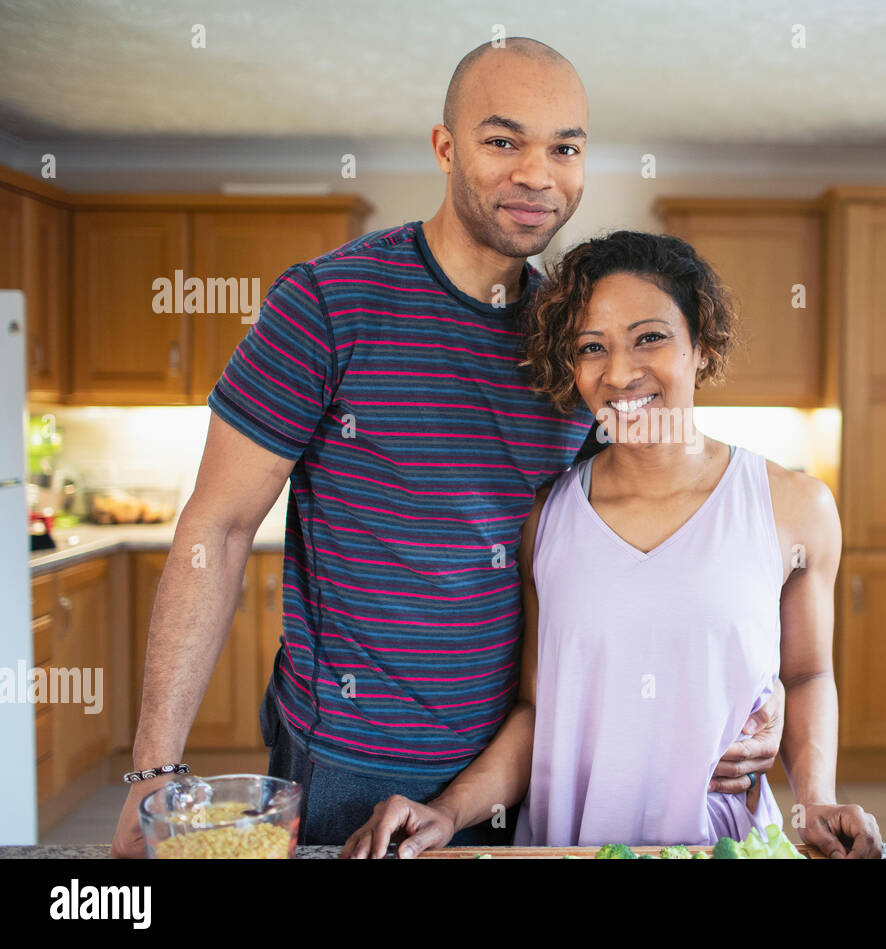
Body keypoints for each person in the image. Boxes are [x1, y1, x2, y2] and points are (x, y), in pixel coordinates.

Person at [110, 38, 783, 857]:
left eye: (564, 147)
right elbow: (213, 530)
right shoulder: (328, 303)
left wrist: (760, 687)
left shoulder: (575, 349)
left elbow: (625, 557)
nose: (538, 173)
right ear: (445, 147)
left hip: (516, 764)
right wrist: (154, 769)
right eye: (504, 141)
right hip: (346, 762)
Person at [340, 231, 882, 859]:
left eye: (649, 337)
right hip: (566, 848)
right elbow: (539, 712)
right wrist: (447, 812)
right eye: (592, 348)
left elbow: (808, 672)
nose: (620, 373)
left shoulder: (794, 507)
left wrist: (814, 799)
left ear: (700, 347)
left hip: (721, 848)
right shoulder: (545, 520)